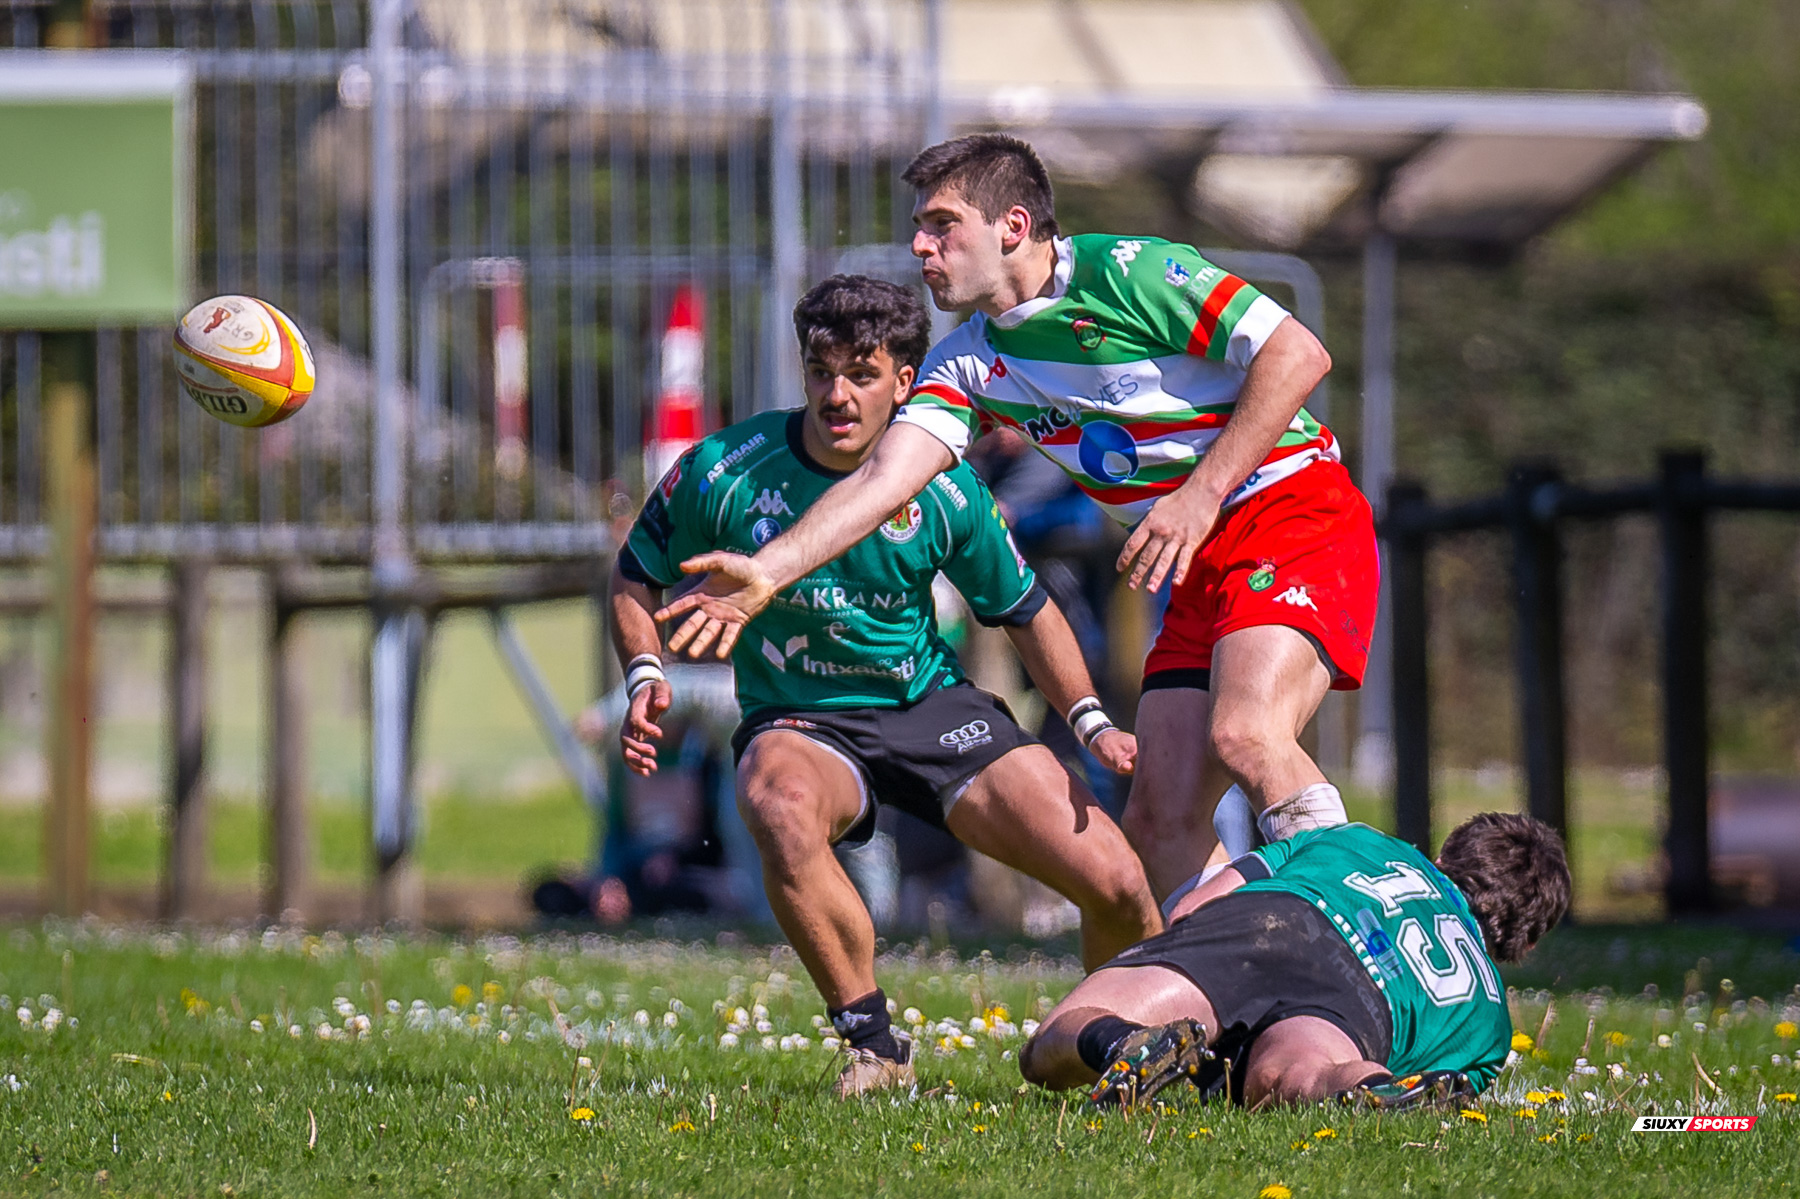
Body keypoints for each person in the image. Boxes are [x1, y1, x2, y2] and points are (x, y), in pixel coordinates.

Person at [655, 133, 1375, 915]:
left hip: (1293, 509)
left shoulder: (1125, 271)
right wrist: (773, 566)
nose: (919, 245)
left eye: (941, 224)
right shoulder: (968, 363)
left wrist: (1199, 496)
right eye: (919, 227)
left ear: (1014, 225)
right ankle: (1232, 1000)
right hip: (1196, 563)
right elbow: (884, 477)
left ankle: (1365, 935)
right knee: (1159, 821)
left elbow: (1299, 354)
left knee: (1246, 736)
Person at [609, 274, 1161, 1097]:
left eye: (861, 374)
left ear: (906, 382)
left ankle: (1131, 1050)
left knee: (1115, 877)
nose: (838, 394)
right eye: (822, 370)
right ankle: (875, 1046)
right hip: (801, 717)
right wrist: (645, 670)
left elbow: (1025, 606)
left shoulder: (940, 484)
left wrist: (1087, 719)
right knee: (775, 800)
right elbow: (633, 575)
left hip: (927, 707)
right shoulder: (725, 470)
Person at [1017, 813, 1570, 1110]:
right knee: (1293, 1075)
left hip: (1279, 920)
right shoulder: (1491, 1025)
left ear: (1444, 857)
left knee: (1052, 1043)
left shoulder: (1360, 838)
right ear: (1523, 944)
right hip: (1364, 1005)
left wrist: (1185, 966)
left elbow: (1196, 903)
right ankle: (1359, 1088)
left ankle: (1122, 1043)